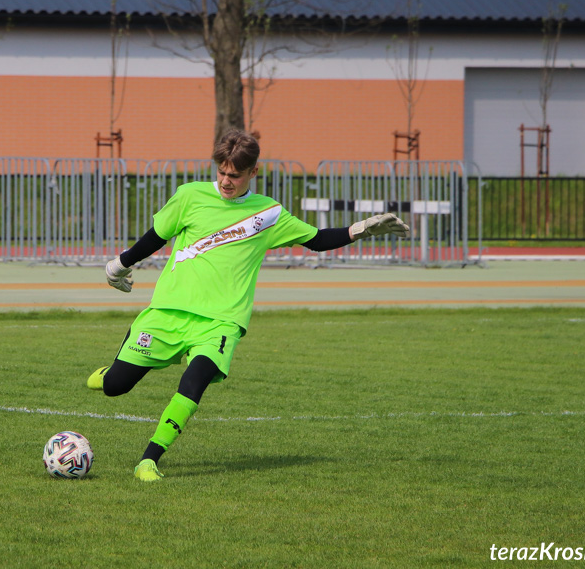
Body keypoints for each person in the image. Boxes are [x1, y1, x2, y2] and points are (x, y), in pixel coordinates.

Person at [87, 129, 409, 481]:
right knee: (115, 387)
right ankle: (109, 372)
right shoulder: (190, 196)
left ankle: (149, 460)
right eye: (222, 172)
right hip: (168, 311)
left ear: (253, 172)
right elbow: (157, 236)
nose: (226, 181)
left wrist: (360, 229)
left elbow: (315, 240)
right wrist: (120, 264)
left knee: (193, 384)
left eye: (235, 175)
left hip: (221, 321)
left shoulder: (268, 214)